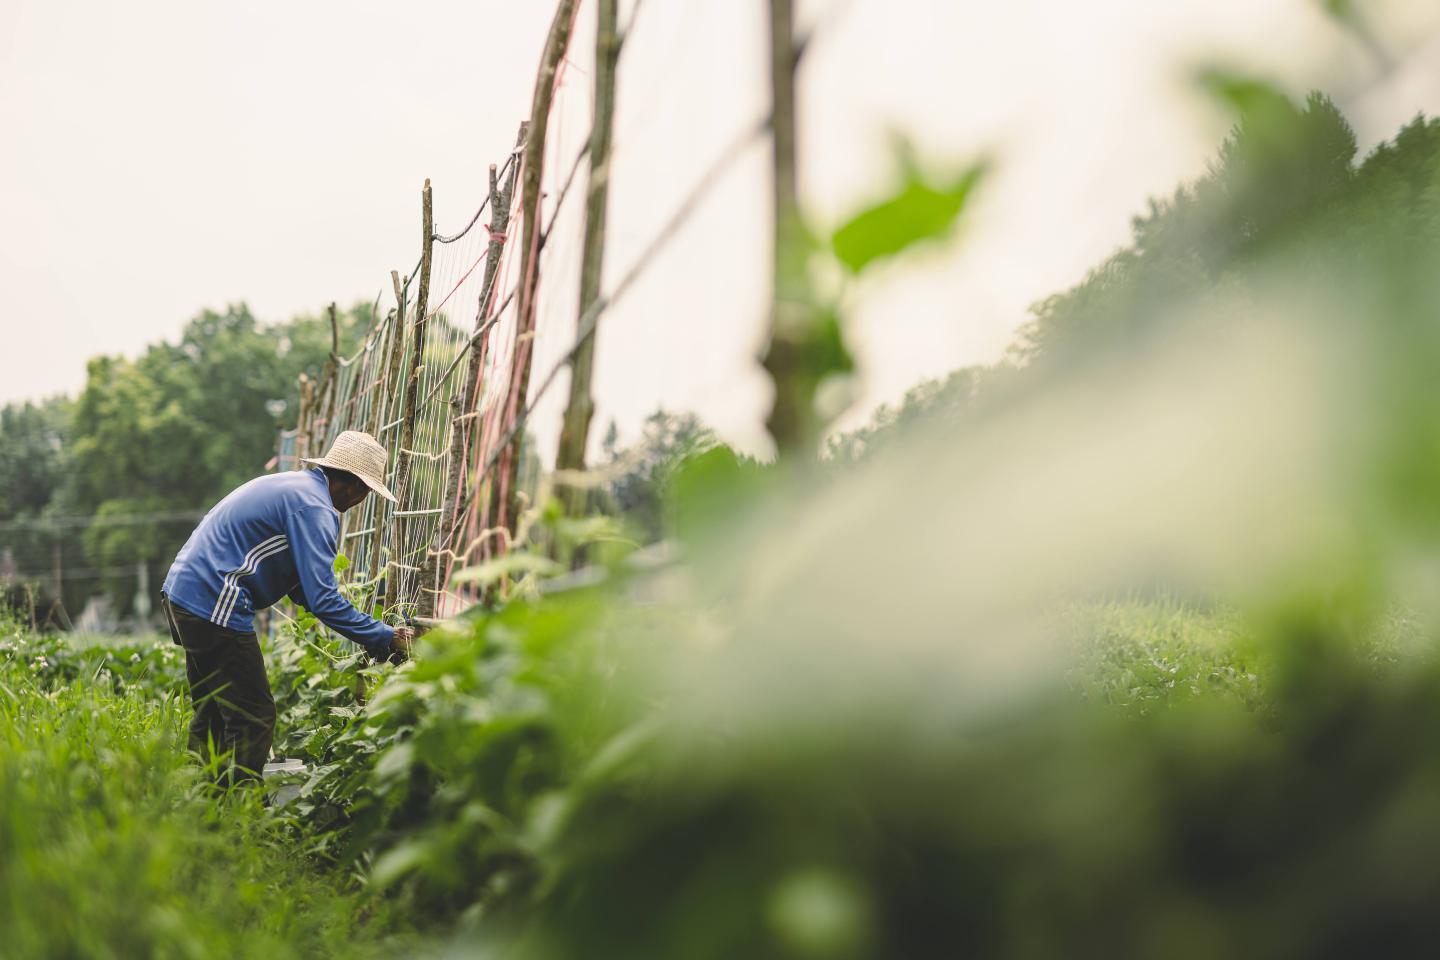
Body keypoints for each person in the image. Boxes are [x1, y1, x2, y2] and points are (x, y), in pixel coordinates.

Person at [159, 430, 414, 782]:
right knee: (253, 715)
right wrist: (384, 635)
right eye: (366, 492)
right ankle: (242, 811)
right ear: (353, 486)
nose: (361, 500)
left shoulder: (297, 489)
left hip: (184, 593)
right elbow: (323, 599)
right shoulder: (315, 508)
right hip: (214, 597)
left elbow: (305, 591)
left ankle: (203, 806)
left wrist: (373, 635)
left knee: (215, 711)